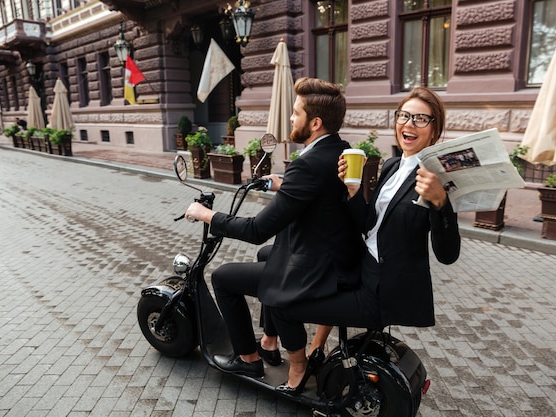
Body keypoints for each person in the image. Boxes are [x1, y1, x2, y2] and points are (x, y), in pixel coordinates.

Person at [267, 86, 461, 393]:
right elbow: (370, 224)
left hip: (381, 293)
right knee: (274, 259)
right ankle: (305, 348)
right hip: (362, 269)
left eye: (421, 119)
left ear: (435, 128)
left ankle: (299, 369)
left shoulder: (435, 178)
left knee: (279, 300)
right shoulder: (392, 165)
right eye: (404, 116)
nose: (409, 124)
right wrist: (353, 190)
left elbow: (448, 254)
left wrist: (441, 203)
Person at [184, 77, 365, 378]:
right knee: (267, 255)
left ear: (315, 122)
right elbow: (319, 194)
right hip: (335, 258)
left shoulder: (306, 165)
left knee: (224, 277)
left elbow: (256, 230)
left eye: (296, 113)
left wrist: (206, 214)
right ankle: (269, 341)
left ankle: (248, 358)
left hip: (318, 270)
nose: (292, 118)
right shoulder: (340, 150)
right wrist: (285, 185)